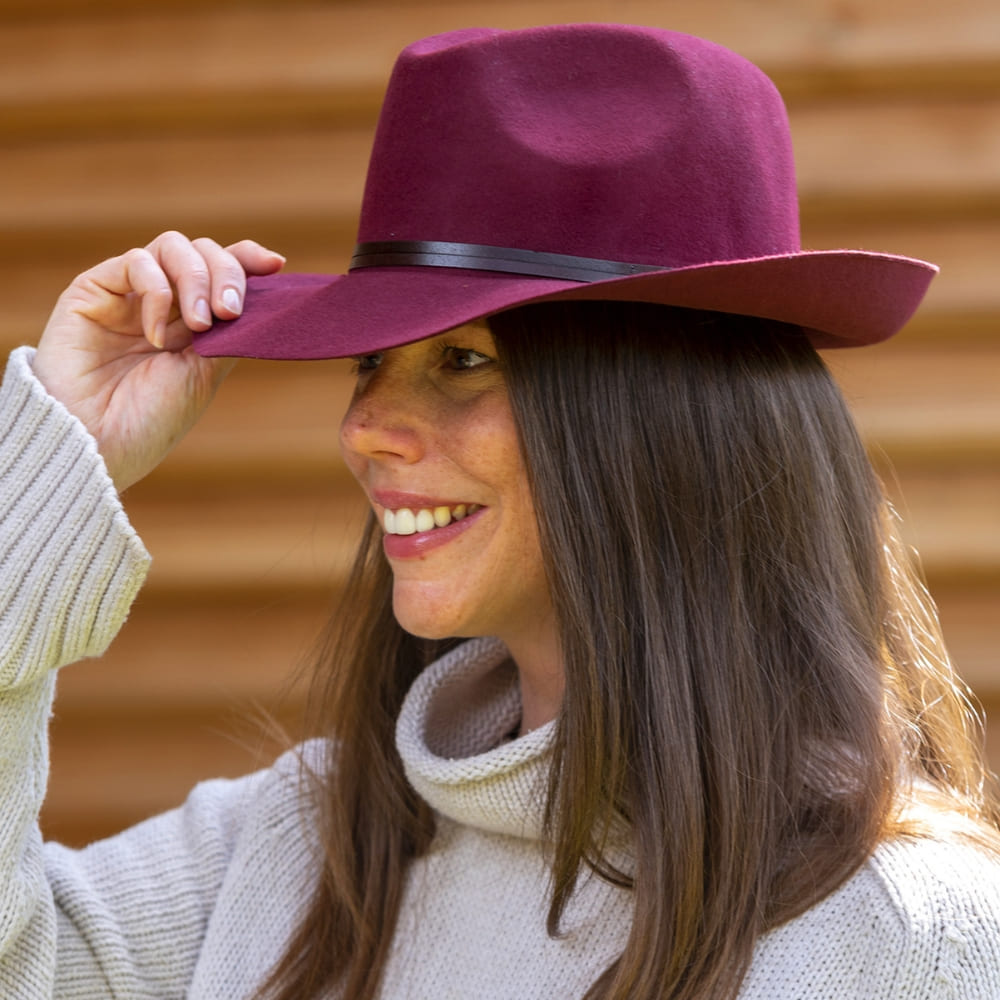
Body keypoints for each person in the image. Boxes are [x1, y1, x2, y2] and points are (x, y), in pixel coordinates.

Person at [2, 22, 999, 1000]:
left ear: (668, 416)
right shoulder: (284, 851)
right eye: (371, 362)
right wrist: (48, 470)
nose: (366, 430)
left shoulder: (906, 938)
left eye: (463, 359)